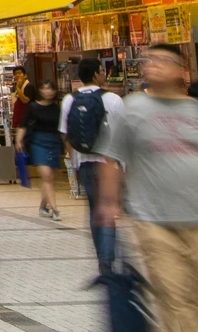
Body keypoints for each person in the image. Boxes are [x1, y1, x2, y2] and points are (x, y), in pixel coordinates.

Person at [93, 43, 198, 332]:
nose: (154, 64)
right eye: (150, 59)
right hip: (154, 222)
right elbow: (111, 158)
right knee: (174, 298)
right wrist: (109, 203)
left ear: (180, 70)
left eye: (163, 60)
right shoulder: (132, 107)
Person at [60, 57, 125, 274]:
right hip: (110, 163)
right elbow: (123, 134)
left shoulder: (69, 100)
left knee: (94, 209)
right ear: (97, 74)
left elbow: (65, 135)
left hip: (84, 163)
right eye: (102, 70)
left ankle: (102, 257)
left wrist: (75, 163)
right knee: (108, 209)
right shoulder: (114, 99)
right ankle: (107, 260)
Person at [23, 80, 64, 220]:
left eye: (50, 88)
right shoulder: (33, 107)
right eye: (44, 88)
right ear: (40, 91)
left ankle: (42, 206)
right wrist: (19, 141)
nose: (47, 91)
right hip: (37, 142)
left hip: (53, 142)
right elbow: (23, 125)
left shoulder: (56, 108)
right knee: (47, 176)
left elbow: (62, 128)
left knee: (51, 178)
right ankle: (55, 209)